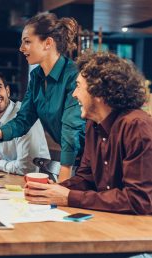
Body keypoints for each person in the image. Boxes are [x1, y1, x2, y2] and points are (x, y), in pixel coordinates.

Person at [24, 51, 152, 215]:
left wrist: (68, 197)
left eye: (78, 86)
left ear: (98, 91)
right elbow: (86, 178)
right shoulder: (93, 125)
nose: (74, 94)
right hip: (113, 222)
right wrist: (53, 190)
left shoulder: (136, 126)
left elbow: (139, 201)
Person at [0, 13, 86, 181]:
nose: (21, 48)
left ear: (48, 43)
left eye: (27, 41)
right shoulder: (36, 76)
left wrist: (64, 176)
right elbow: (24, 119)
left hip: (92, 157)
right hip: (76, 160)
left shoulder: (73, 75)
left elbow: (71, 129)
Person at [0, 70, 50, 174]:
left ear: (7, 91)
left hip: (38, 182)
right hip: (8, 178)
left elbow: (27, 168)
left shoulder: (26, 116)